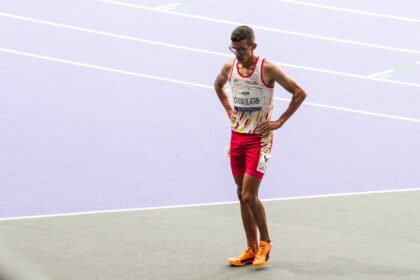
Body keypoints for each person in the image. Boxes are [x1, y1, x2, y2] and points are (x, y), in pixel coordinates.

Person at [214, 25, 307, 267]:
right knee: (240, 195)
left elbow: (299, 93)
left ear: (253, 46)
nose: (238, 54)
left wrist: (281, 121)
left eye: (242, 49)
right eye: (234, 49)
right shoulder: (229, 66)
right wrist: (228, 110)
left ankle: (265, 243)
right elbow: (218, 86)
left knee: (249, 194)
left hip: (260, 140)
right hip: (237, 138)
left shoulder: (267, 68)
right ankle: (250, 248)